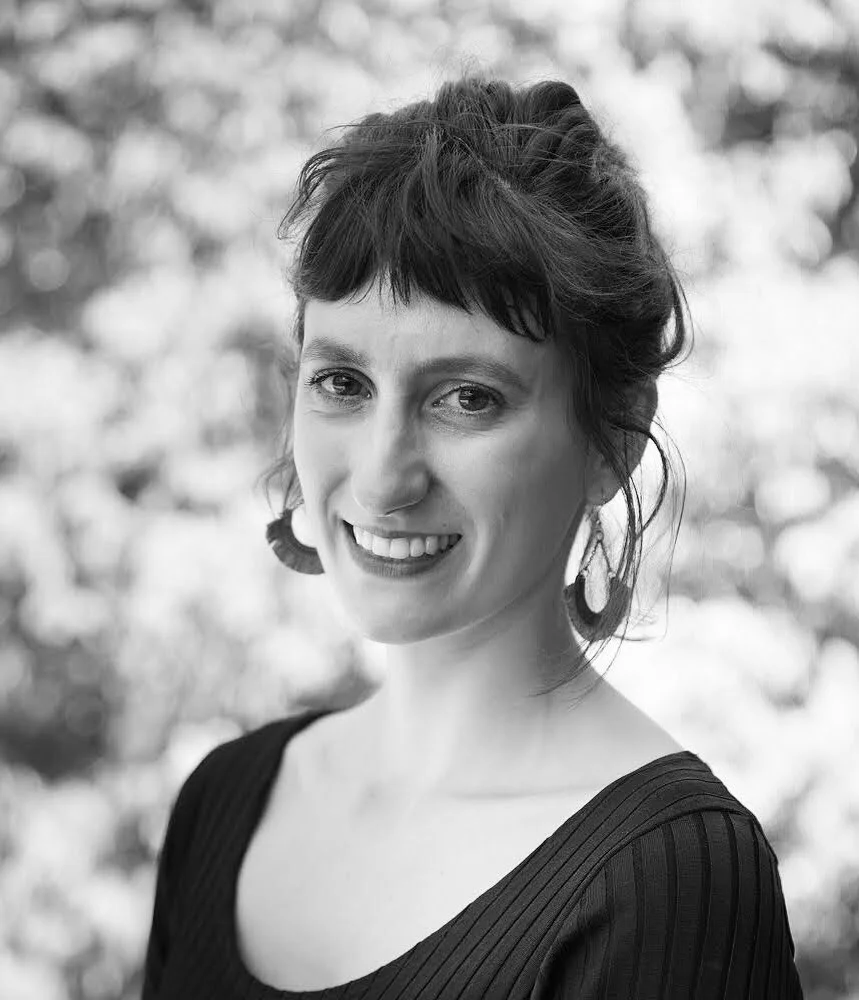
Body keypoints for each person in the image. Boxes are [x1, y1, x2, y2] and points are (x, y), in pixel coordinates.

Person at [141, 76, 804, 998]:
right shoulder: (223, 800)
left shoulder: (670, 878)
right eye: (341, 384)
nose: (383, 478)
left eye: (466, 398)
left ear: (611, 441)